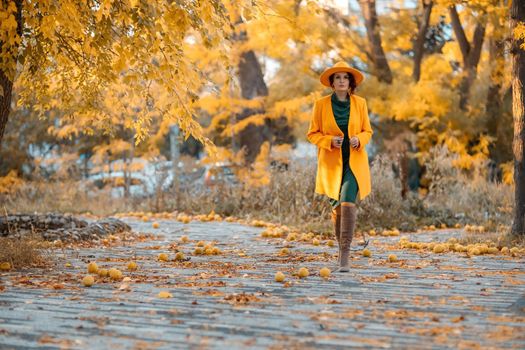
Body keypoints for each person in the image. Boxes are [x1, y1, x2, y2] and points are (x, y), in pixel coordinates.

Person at [307, 61, 373, 272]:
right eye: (338, 78)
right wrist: (328, 141)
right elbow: (312, 134)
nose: (342, 81)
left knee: (347, 202)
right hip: (331, 165)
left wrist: (359, 139)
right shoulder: (321, 105)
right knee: (336, 207)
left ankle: (345, 255)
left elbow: (368, 131)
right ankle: (340, 249)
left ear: (350, 82)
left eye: (345, 77)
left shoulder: (360, 103)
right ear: (332, 83)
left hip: (354, 164)